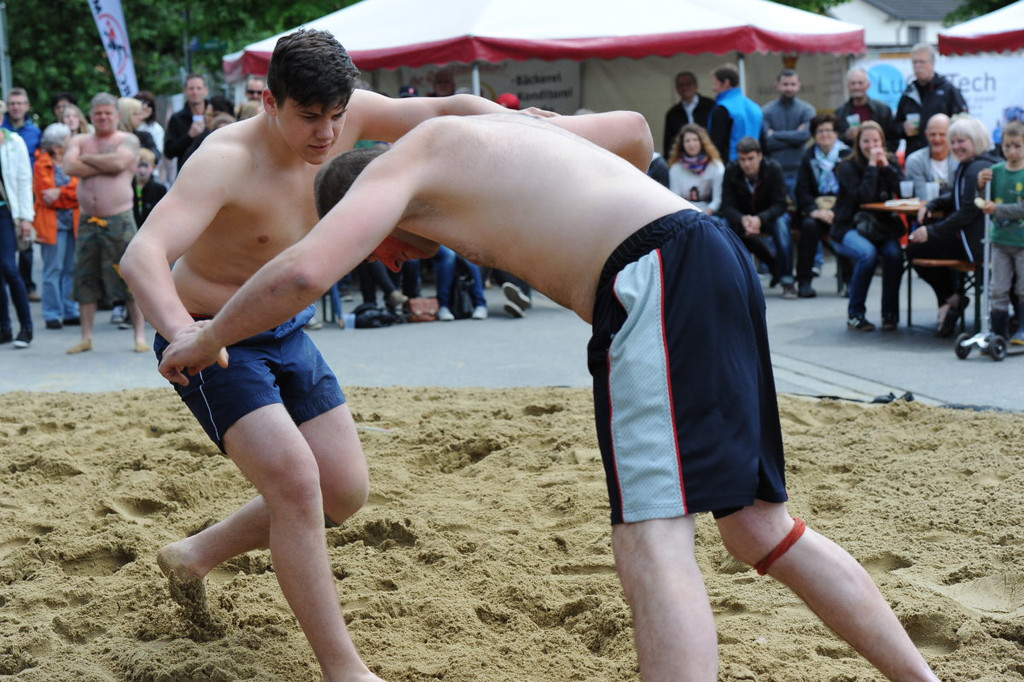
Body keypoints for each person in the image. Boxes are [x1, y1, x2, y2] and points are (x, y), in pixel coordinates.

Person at [157, 110, 940, 682]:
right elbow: (635, 128)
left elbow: (301, 275)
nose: (390, 266)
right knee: (757, 527)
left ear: (369, 205)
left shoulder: (406, 164)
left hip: (652, 278)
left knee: (650, 538)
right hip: (707, 256)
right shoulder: (485, 132)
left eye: (380, 247)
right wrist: (552, 134)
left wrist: (206, 335)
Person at [119, 29, 537, 681]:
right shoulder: (223, 159)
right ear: (269, 102)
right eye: (310, 117)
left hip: (285, 328)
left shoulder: (348, 117)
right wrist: (181, 333)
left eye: (337, 115)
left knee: (343, 492)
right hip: (212, 335)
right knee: (294, 481)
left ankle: (194, 554)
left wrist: (526, 125)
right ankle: (345, 670)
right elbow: (141, 254)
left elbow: (444, 112)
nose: (327, 133)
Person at [63, 92, 148, 354]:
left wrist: (85, 159)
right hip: (88, 219)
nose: (102, 117)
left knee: (130, 276)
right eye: (98, 113)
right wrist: (104, 164)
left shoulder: (129, 140)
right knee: (85, 277)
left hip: (120, 219)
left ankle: (139, 336)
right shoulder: (79, 139)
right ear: (91, 115)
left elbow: (120, 162)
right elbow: (69, 167)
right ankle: (86, 336)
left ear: (116, 115)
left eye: (107, 113)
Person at [908, 116, 1000, 337]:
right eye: (955, 141)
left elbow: (968, 211)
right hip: (969, 239)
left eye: (962, 141)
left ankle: (951, 298)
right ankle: (952, 299)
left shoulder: (976, 168)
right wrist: (934, 203)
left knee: (915, 247)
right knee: (919, 246)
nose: (957, 146)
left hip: (977, 245)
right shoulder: (969, 165)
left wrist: (931, 230)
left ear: (976, 140)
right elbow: (955, 196)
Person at [830, 121, 906, 332]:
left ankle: (890, 314)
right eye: (866, 141)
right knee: (867, 254)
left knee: (894, 255)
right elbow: (862, 197)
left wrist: (887, 168)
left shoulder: (889, 162)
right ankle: (855, 314)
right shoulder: (846, 166)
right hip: (849, 226)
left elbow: (904, 189)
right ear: (858, 143)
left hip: (882, 226)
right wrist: (872, 167)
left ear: (882, 142)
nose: (871, 146)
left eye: (876, 141)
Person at [719, 136, 796, 298]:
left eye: (751, 159)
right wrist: (742, 219)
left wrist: (760, 219)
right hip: (742, 219)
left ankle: (787, 280)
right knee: (723, 227)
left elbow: (780, 204)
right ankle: (729, 281)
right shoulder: (731, 170)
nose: (747, 164)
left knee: (782, 224)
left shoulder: (773, 169)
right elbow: (727, 206)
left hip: (769, 218)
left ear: (760, 156)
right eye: (742, 159)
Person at [793, 113, 851, 299]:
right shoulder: (808, 156)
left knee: (845, 229)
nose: (825, 135)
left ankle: (850, 282)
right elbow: (801, 190)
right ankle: (804, 281)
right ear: (814, 134)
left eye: (829, 130)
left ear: (836, 133)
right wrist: (815, 211)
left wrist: (836, 212)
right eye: (820, 131)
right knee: (809, 227)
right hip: (817, 211)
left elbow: (852, 190)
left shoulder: (847, 155)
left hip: (841, 210)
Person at [978, 120, 1024, 344]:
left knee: (1022, 287)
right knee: (998, 288)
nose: (1012, 151)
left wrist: (998, 209)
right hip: (1000, 240)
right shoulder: (996, 171)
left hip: (1022, 241)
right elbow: (984, 197)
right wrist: (980, 184)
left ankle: (1022, 329)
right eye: (1007, 146)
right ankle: (998, 333)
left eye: (1017, 146)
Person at [34, 123, 80, 330]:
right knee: (53, 269)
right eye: (67, 138)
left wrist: (60, 193)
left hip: (73, 223)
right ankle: (52, 313)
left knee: (71, 268)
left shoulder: (73, 161)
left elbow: (79, 191)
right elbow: (45, 195)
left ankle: (70, 311)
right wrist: (69, 195)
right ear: (57, 145)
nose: (71, 141)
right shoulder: (41, 164)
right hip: (53, 224)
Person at [895, 44, 968, 157]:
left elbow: (963, 120)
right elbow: (895, 126)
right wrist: (903, 129)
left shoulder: (948, 90)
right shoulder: (908, 93)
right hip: (915, 157)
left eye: (922, 62)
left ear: (932, 64)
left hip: (944, 156)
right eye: (915, 62)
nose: (918, 66)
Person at [4, 88, 42, 301]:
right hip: (8, 191)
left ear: (26, 106)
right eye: (12, 103)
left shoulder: (34, 131)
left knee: (25, 242)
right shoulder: (3, 128)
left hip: (30, 189)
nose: (16, 107)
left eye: (20, 103)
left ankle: (28, 285)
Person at [0, 125, 35, 348]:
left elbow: (24, 180)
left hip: (6, 212)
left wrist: (26, 217)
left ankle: (26, 327)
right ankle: (4, 327)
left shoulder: (14, 142)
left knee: (9, 268)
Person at [761, 69, 815, 194]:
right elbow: (767, 142)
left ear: (799, 85)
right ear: (778, 85)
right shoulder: (766, 110)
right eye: (785, 84)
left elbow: (805, 136)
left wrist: (775, 134)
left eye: (793, 84)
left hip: (800, 171)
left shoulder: (807, 109)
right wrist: (795, 137)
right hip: (773, 172)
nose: (789, 88)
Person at [707, 63, 762, 162]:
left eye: (715, 84)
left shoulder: (722, 109)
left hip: (731, 165)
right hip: (755, 163)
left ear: (726, 83)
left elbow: (716, 144)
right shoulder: (756, 107)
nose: (713, 88)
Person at [834, 68, 898, 152]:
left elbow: (894, 139)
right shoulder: (840, 112)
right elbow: (833, 141)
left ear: (868, 85)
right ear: (847, 86)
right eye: (853, 83)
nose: (857, 87)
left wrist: (882, 154)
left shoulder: (883, 109)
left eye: (860, 83)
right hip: (850, 160)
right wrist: (846, 136)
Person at [667, 123, 724, 216]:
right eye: (687, 141)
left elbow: (717, 200)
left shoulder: (715, 166)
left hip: (709, 216)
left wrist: (704, 216)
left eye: (695, 140)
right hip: (684, 215)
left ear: (702, 142)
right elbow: (675, 198)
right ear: (682, 144)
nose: (691, 144)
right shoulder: (675, 168)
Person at [662, 71, 715, 158]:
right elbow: (668, 143)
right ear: (677, 89)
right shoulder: (672, 113)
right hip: (683, 160)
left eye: (688, 84)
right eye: (681, 85)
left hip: (709, 157)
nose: (685, 88)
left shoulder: (711, 106)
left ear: (696, 86)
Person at [905, 113, 958, 200]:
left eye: (942, 134)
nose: (937, 139)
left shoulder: (959, 159)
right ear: (926, 134)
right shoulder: (915, 160)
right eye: (932, 134)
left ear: (951, 135)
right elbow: (923, 197)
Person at [164, 73, 210, 173]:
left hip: (212, 171)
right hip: (186, 174)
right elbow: (169, 152)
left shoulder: (215, 116)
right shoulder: (177, 118)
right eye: (191, 88)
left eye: (199, 88)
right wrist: (189, 136)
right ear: (185, 91)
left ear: (206, 90)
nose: (195, 92)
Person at [434, 246, 487, 321]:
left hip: (460, 241)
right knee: (449, 255)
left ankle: (480, 304)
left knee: (470, 254)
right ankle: (443, 305)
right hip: (438, 242)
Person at [133, 147, 167, 227]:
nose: (142, 170)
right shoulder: (128, 189)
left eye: (146, 166)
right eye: (139, 166)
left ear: (153, 167)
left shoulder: (160, 190)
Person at [134, 90, 166, 161]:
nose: (145, 106)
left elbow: (157, 156)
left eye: (149, 104)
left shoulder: (156, 129)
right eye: (141, 103)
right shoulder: (127, 126)